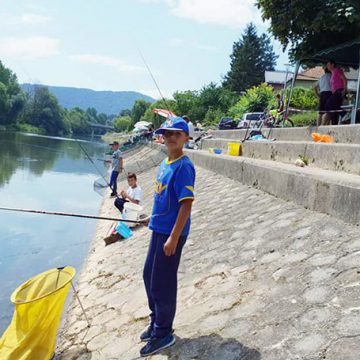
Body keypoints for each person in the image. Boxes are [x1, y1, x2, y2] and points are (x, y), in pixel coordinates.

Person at [139, 116, 195, 357]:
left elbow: (185, 205)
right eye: (167, 133)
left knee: (163, 283)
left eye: (176, 134)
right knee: (148, 276)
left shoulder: (184, 166)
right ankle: (155, 321)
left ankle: (163, 333)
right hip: (157, 228)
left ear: (186, 138)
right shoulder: (165, 163)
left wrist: (173, 237)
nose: (171, 137)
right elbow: (162, 199)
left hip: (171, 234)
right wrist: (149, 219)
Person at [324, 60, 348, 125]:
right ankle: (335, 123)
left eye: (328, 65)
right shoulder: (332, 73)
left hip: (339, 90)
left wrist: (345, 89)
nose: (327, 66)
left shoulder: (337, 70)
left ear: (332, 65)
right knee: (334, 107)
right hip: (335, 92)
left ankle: (345, 114)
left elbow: (344, 79)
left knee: (328, 104)